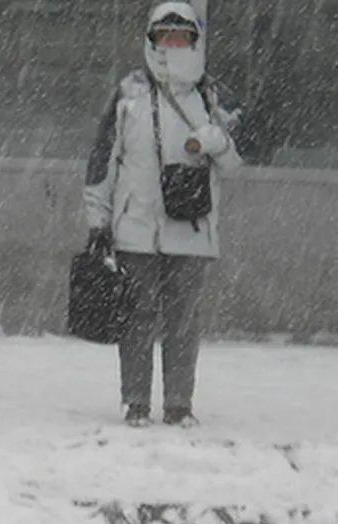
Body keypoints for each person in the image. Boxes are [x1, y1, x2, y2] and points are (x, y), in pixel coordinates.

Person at [83, 1, 241, 429]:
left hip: (192, 227)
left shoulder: (211, 96)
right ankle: (135, 401)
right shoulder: (128, 93)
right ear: (151, 40)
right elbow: (103, 162)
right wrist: (98, 220)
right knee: (136, 316)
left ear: (194, 40)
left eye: (182, 36)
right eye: (164, 35)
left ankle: (178, 404)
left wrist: (215, 142)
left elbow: (235, 165)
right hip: (136, 228)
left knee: (183, 322)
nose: (173, 44)